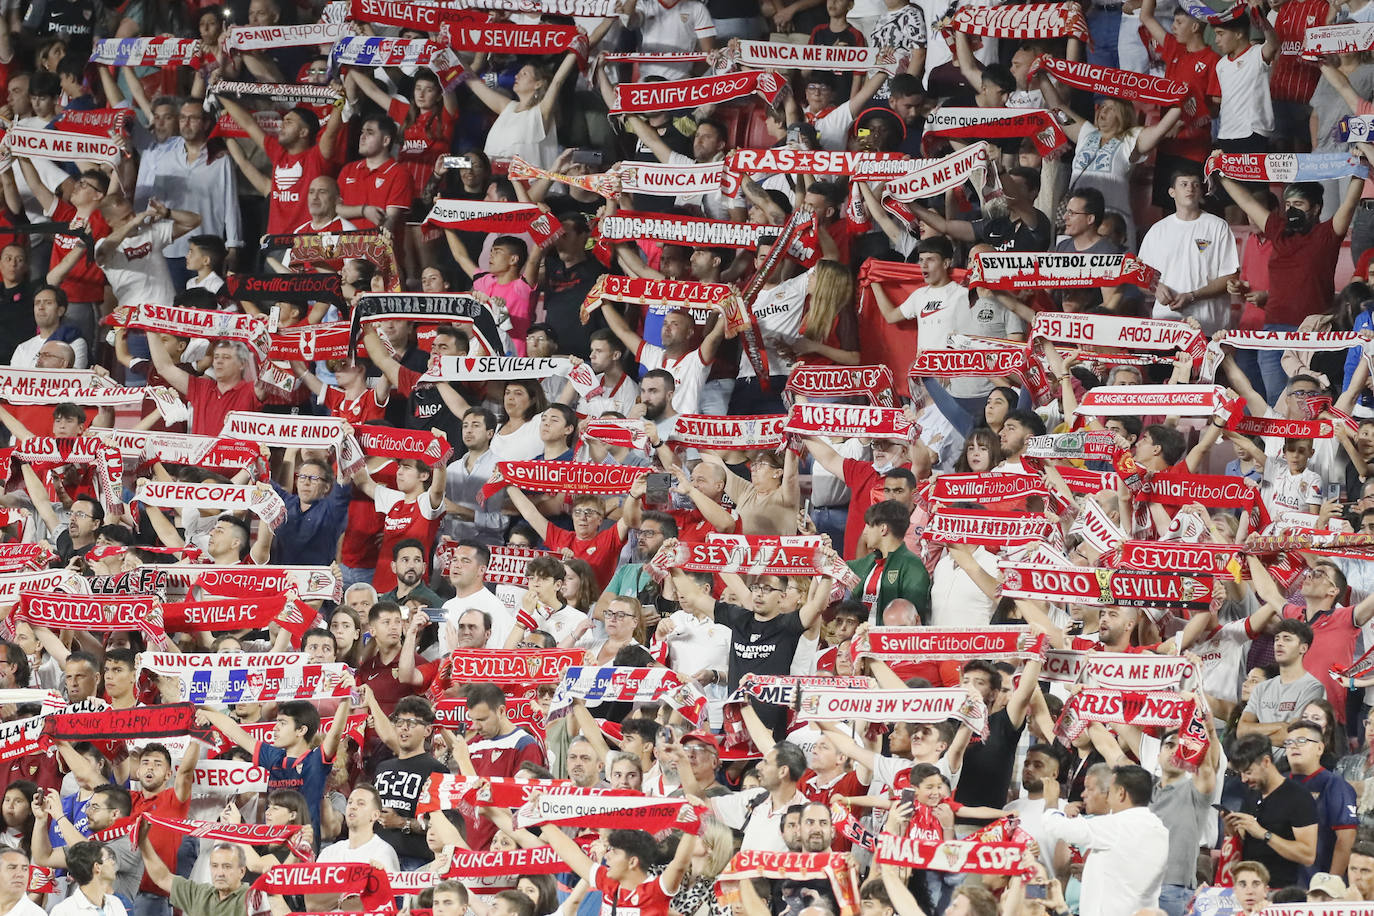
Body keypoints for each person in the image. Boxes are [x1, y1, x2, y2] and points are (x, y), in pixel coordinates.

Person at [1040, 765, 1169, 915]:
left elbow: (1055, 826)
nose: (1107, 797)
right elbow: (1127, 873)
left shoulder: (1117, 825)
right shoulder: (1160, 829)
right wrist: (1091, 872)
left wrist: (1051, 802)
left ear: (1121, 793)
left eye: (1110, 791)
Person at [1227, 733, 1319, 888]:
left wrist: (1264, 834)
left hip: (1280, 891)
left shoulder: (1298, 797)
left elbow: (1308, 855)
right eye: (1240, 773)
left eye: (1248, 772)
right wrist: (1232, 830)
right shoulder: (1252, 792)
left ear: (1266, 762)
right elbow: (1247, 843)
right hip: (1247, 888)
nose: (1243, 779)